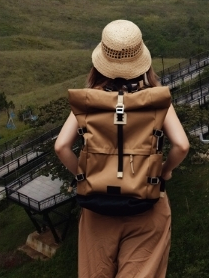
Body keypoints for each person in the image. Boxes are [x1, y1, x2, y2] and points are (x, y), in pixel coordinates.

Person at [54, 20, 189, 278]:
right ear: (142, 59)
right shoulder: (156, 99)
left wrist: (84, 176)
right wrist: (163, 172)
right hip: (147, 204)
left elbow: (61, 146)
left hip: (97, 210)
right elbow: (182, 145)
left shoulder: (89, 99)